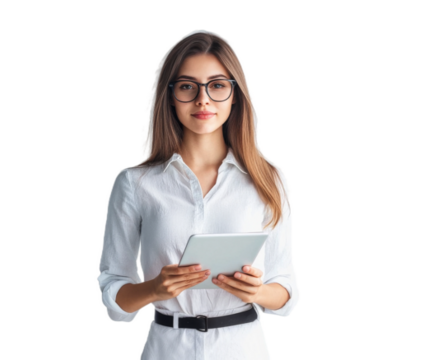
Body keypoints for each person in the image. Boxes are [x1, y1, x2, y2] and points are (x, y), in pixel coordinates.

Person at [96, 28, 301, 359]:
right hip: (166, 348)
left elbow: (288, 295)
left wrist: (258, 291)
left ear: (235, 95)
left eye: (217, 85)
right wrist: (152, 289)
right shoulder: (134, 183)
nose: (203, 99)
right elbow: (113, 297)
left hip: (244, 348)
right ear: (170, 94)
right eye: (188, 87)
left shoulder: (269, 178)